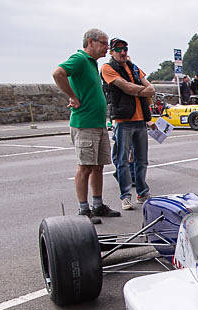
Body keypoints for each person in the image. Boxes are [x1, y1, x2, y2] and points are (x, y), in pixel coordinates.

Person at [52, 28, 118, 224]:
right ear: (91, 41)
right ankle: (83, 208)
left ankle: (97, 204)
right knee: (85, 167)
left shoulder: (92, 63)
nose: (107, 48)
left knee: (98, 166)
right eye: (104, 43)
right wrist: (72, 96)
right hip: (85, 123)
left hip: (97, 124)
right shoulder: (80, 59)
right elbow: (58, 73)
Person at [101, 37, 155, 210]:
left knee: (142, 160)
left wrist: (136, 90)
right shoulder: (108, 68)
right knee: (123, 160)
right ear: (111, 52)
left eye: (125, 49)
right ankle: (125, 196)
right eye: (119, 49)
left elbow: (151, 88)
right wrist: (141, 91)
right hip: (124, 120)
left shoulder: (133, 67)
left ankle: (142, 192)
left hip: (140, 120)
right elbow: (126, 87)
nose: (123, 52)